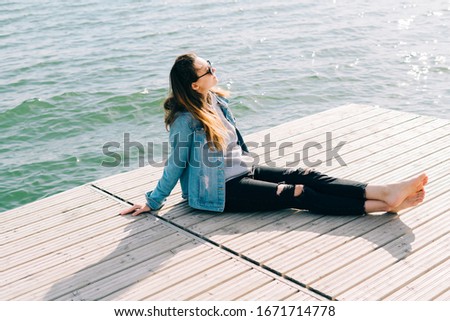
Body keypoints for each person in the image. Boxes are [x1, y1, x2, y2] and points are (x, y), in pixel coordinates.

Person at [120, 53, 427, 217]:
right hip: (217, 191)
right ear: (194, 85)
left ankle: (384, 191)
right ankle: (384, 205)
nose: (214, 70)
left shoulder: (216, 100)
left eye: (210, 64)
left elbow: (236, 145)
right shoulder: (185, 121)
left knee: (306, 174)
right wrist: (153, 201)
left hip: (242, 169)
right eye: (207, 70)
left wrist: (250, 164)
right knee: (296, 194)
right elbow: (175, 165)